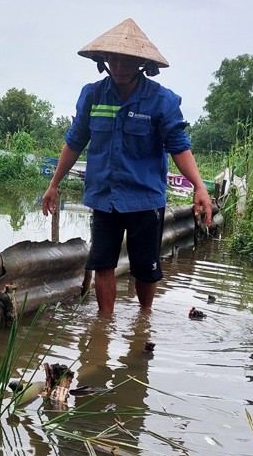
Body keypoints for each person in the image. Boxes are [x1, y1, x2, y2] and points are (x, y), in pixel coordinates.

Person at [41, 18, 212, 315]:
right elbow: (75, 141)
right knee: (102, 263)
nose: (119, 66)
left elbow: (179, 146)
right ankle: (104, 322)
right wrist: (54, 184)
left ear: (141, 63)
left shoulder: (162, 101)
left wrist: (199, 186)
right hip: (104, 197)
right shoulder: (92, 96)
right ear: (104, 61)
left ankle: (143, 318)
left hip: (145, 198)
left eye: (127, 60)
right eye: (114, 59)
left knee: (145, 268)